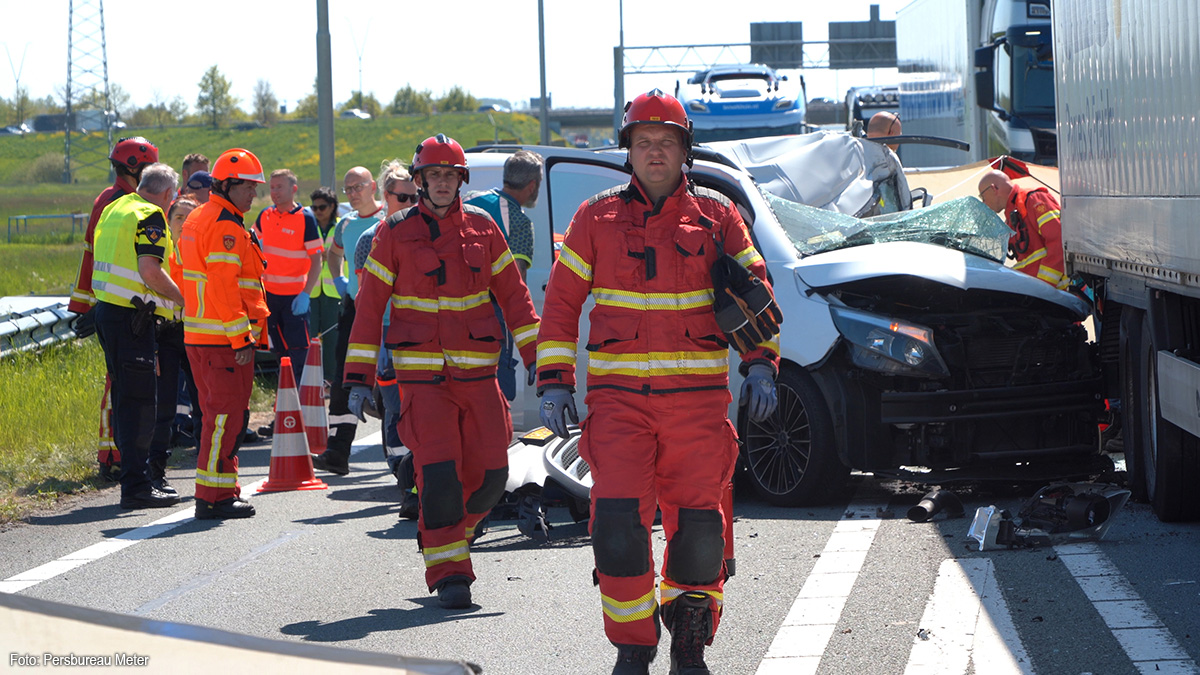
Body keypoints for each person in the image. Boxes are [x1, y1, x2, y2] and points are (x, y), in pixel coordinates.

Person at [536, 90, 781, 675]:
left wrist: (763, 364)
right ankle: (633, 645)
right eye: (643, 142)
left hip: (698, 409)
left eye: (665, 142)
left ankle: (690, 644)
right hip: (618, 408)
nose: (654, 152)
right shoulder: (593, 218)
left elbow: (758, 295)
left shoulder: (719, 217)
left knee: (699, 531)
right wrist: (553, 379)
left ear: (684, 150)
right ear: (628, 150)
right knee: (618, 527)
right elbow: (562, 305)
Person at [343, 134, 541, 609]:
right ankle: (451, 571)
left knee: (493, 474)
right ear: (420, 180)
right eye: (434, 176)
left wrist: (542, 360)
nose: (443, 183)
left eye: (451, 175)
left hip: (478, 378)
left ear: (461, 180)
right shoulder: (392, 232)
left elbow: (515, 297)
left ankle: (453, 533)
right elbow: (370, 309)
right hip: (423, 384)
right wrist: (356, 378)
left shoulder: (484, 227)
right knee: (442, 478)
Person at [180, 148, 269, 520]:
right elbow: (223, 288)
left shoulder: (203, 215)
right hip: (222, 340)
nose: (253, 194)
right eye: (248, 186)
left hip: (202, 336)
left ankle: (221, 491)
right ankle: (211, 498)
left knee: (220, 416)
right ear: (228, 184)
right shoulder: (225, 226)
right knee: (224, 418)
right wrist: (240, 338)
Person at [91, 162, 185, 509]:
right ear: (167, 194)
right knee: (141, 405)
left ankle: (136, 481)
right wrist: (184, 300)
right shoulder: (151, 215)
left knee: (128, 400)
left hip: (109, 313)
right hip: (133, 318)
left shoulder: (115, 208)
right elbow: (150, 270)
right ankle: (137, 486)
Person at [68, 137, 160, 482]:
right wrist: (87, 305)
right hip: (118, 307)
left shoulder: (125, 199)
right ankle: (114, 454)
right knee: (119, 385)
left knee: (125, 384)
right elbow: (93, 255)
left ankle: (124, 453)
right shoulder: (113, 201)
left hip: (127, 305)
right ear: (135, 167)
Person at [353, 160, 419, 517]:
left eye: (414, 196)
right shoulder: (370, 239)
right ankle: (405, 480)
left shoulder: (426, 232)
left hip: (424, 338)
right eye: (402, 197)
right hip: (388, 338)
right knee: (395, 412)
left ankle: (420, 480)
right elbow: (367, 303)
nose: (409, 203)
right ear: (384, 196)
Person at [310, 166, 385, 476]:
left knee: (389, 380)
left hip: (386, 310)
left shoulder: (386, 220)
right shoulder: (345, 224)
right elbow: (333, 255)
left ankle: (401, 452)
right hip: (354, 308)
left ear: (373, 188)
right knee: (344, 377)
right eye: (348, 189)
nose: (352, 194)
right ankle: (338, 451)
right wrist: (340, 281)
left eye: (358, 187)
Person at [465, 149, 544, 401]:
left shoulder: (470, 199)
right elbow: (515, 283)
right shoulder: (519, 221)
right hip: (491, 313)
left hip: (451, 306)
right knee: (498, 387)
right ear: (532, 185)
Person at [255, 168, 322, 386]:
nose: (274, 192)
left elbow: (316, 261)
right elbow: (252, 245)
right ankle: (284, 406)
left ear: (293, 189)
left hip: (295, 299)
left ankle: (303, 405)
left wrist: (305, 294)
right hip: (270, 298)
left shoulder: (306, 219)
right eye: (272, 187)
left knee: (299, 354)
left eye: (279, 187)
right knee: (279, 354)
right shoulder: (265, 215)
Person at [977, 169, 1068, 290]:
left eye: (983, 197)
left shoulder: (1034, 199)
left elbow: (1060, 242)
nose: (984, 203)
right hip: (1042, 293)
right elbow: (1027, 261)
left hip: (1062, 293)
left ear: (993, 189)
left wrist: (1043, 286)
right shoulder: (1012, 216)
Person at [165, 197, 204, 451]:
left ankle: (205, 456)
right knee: (164, 398)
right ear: (168, 222)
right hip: (166, 331)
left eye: (190, 218)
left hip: (197, 332)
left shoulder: (203, 255)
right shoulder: (159, 253)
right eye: (179, 217)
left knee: (201, 398)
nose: (184, 223)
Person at [307, 186, 342, 385]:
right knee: (310, 337)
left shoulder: (340, 226)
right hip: (311, 290)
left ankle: (330, 379)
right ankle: (311, 380)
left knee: (332, 340)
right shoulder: (308, 226)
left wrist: (333, 256)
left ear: (332, 206)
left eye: (322, 207)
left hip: (333, 290)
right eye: (315, 207)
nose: (318, 211)